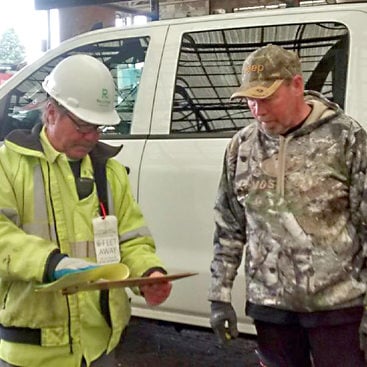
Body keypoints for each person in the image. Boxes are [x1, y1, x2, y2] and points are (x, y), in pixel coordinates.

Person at [0, 54, 172, 367]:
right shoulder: (8, 166)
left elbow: (132, 239)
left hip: (98, 348)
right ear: (51, 113)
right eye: (82, 125)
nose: (92, 136)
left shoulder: (110, 173)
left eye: (98, 126)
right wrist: (52, 263)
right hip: (33, 351)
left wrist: (148, 273)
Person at [208, 44, 367, 366]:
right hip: (270, 307)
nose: (257, 109)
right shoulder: (242, 146)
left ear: (297, 85)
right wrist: (219, 296)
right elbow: (230, 226)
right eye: (250, 100)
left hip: (337, 307)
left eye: (266, 97)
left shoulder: (345, 138)